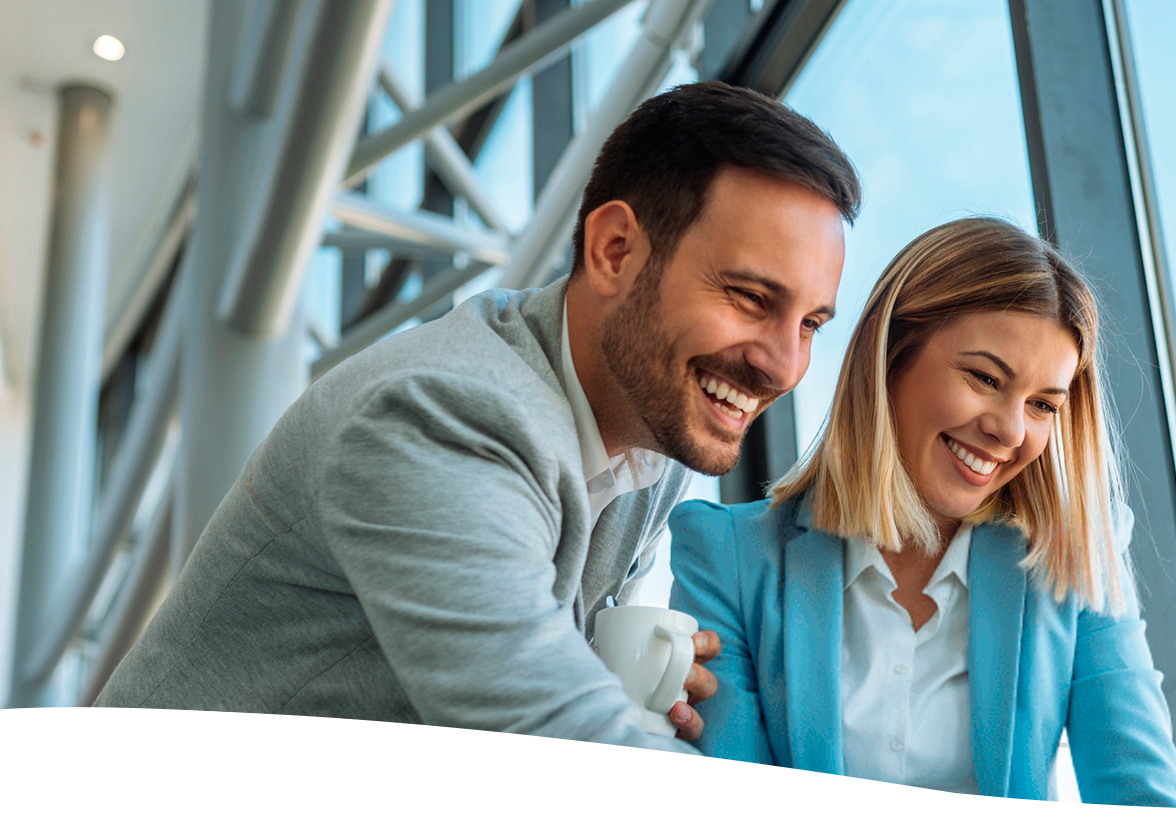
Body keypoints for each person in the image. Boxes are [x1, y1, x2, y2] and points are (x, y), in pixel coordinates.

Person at [95, 82, 860, 752]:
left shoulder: (648, 431)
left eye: (810, 324)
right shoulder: (436, 417)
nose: (784, 365)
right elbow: (565, 747)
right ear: (616, 251)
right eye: (752, 299)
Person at [669, 217, 1176, 805]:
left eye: (1043, 404)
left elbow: (1143, 800)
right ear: (890, 355)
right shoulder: (727, 558)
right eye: (984, 377)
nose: (1009, 430)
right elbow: (734, 807)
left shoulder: (1074, 558)